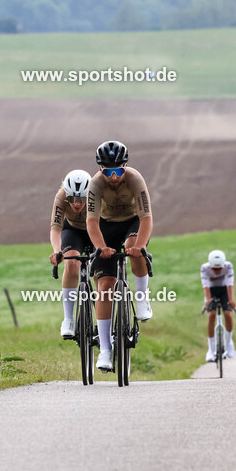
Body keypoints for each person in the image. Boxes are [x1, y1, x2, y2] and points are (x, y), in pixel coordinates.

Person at [85, 140, 153, 372]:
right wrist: (100, 247)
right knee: (104, 286)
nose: (114, 177)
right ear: (100, 169)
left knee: (134, 248)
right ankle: (105, 349)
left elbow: (146, 218)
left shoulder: (135, 179)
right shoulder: (95, 184)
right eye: (108, 172)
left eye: (118, 171)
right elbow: (91, 222)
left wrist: (140, 247)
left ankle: (142, 297)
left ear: (125, 166)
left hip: (132, 223)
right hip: (107, 227)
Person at [49, 169, 93, 339]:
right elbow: (55, 228)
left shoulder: (97, 195)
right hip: (73, 230)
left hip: (96, 230)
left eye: (82, 198)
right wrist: (56, 250)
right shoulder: (61, 197)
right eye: (72, 198)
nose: (76, 203)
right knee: (72, 263)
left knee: (101, 271)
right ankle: (68, 319)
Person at [201, 249, 236, 362]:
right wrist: (208, 300)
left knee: (228, 314)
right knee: (211, 315)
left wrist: (231, 300)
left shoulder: (228, 266)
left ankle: (229, 341)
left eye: (219, 268)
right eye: (214, 269)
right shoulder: (204, 268)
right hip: (211, 290)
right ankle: (210, 350)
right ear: (210, 265)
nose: (217, 271)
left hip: (224, 290)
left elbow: (230, 285)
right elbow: (205, 286)